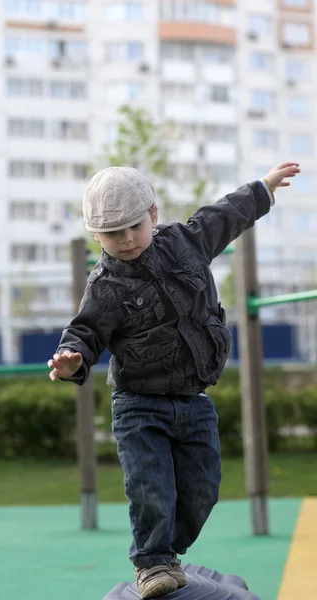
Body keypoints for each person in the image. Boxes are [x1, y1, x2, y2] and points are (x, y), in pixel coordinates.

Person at [48, 162, 300, 599]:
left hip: (193, 399)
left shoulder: (187, 242)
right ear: (96, 237)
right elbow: (84, 331)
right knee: (151, 487)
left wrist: (263, 189)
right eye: (112, 233)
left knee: (203, 489)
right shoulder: (104, 285)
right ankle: (151, 561)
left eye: (133, 226)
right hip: (139, 404)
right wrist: (73, 361)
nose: (125, 239)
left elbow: (226, 214)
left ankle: (167, 550)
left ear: (153, 214)